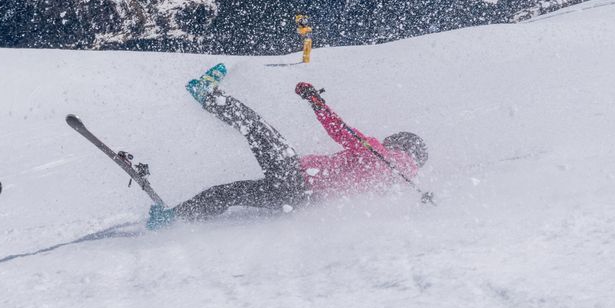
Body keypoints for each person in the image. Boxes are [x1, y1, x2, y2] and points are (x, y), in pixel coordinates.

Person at [147, 64, 428, 228]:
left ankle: (209, 96)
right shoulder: (394, 182)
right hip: (298, 199)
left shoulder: (382, 153)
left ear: (400, 143)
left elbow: (343, 133)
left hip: (294, 175)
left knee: (258, 128)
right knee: (230, 193)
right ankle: (172, 219)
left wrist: (316, 102)